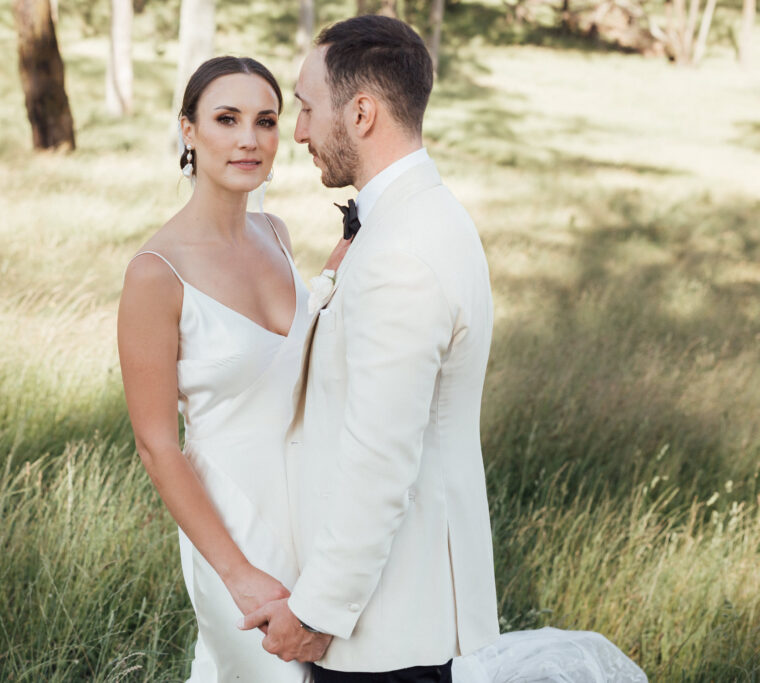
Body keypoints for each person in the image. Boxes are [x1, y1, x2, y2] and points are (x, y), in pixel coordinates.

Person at [238, 15, 647, 683]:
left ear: (362, 112)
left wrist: (314, 613)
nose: (301, 131)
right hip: (404, 619)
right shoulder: (420, 218)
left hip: (391, 631)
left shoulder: (402, 251)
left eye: (309, 108)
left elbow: (379, 460)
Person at [117, 56, 312, 682]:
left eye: (266, 121)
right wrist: (239, 573)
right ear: (189, 130)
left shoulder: (276, 233)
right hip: (236, 520)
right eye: (225, 119)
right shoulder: (156, 272)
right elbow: (155, 445)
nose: (248, 139)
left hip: (316, 503)